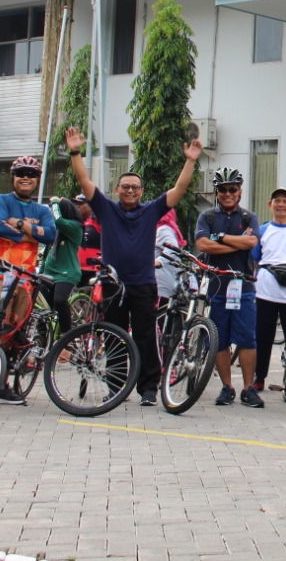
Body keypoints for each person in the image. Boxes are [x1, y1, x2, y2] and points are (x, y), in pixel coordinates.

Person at [65, 125, 201, 406]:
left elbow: (180, 189)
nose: (129, 190)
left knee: (145, 337)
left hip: (143, 284)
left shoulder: (151, 210)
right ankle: (116, 387)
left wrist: (190, 160)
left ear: (141, 191)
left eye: (134, 187)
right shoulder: (106, 208)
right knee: (113, 336)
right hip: (112, 285)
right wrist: (75, 152)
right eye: (125, 186)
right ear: (117, 189)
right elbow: (84, 180)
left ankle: (148, 388)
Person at [0, 156, 56, 405]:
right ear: (13, 177)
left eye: (31, 174)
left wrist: (19, 224)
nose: (26, 177)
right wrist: (33, 233)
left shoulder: (42, 210)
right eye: (21, 173)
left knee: (16, 330)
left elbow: (51, 235)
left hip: (26, 278)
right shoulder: (0, 201)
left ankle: (5, 386)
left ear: (37, 180)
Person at [194, 167, 262, 408]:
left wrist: (219, 237)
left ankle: (248, 388)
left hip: (243, 287)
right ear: (217, 192)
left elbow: (252, 241)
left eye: (232, 189)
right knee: (219, 341)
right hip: (216, 287)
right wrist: (236, 244)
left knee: (247, 340)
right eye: (222, 189)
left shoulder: (248, 217)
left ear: (240, 191)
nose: (227, 193)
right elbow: (203, 244)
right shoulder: (208, 217)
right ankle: (227, 387)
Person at [252, 187, 286, 393]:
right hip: (265, 291)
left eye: (285, 201)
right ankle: (259, 377)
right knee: (263, 336)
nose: (281, 205)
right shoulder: (262, 230)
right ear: (270, 205)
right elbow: (255, 260)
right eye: (277, 201)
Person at [41, 197, 84, 333]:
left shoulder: (74, 227)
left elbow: (58, 220)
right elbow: (48, 250)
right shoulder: (56, 229)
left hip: (67, 272)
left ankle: (67, 337)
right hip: (49, 271)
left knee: (59, 301)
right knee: (40, 306)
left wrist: (55, 202)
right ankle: (42, 338)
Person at [155, 210, 186, 301]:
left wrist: (159, 262)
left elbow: (172, 247)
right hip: (167, 285)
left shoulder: (163, 229)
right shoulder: (169, 229)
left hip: (159, 286)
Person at [75, 193, 102, 285]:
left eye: (81, 204)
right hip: (76, 270)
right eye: (76, 204)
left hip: (94, 271)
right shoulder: (76, 222)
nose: (77, 207)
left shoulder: (98, 221)